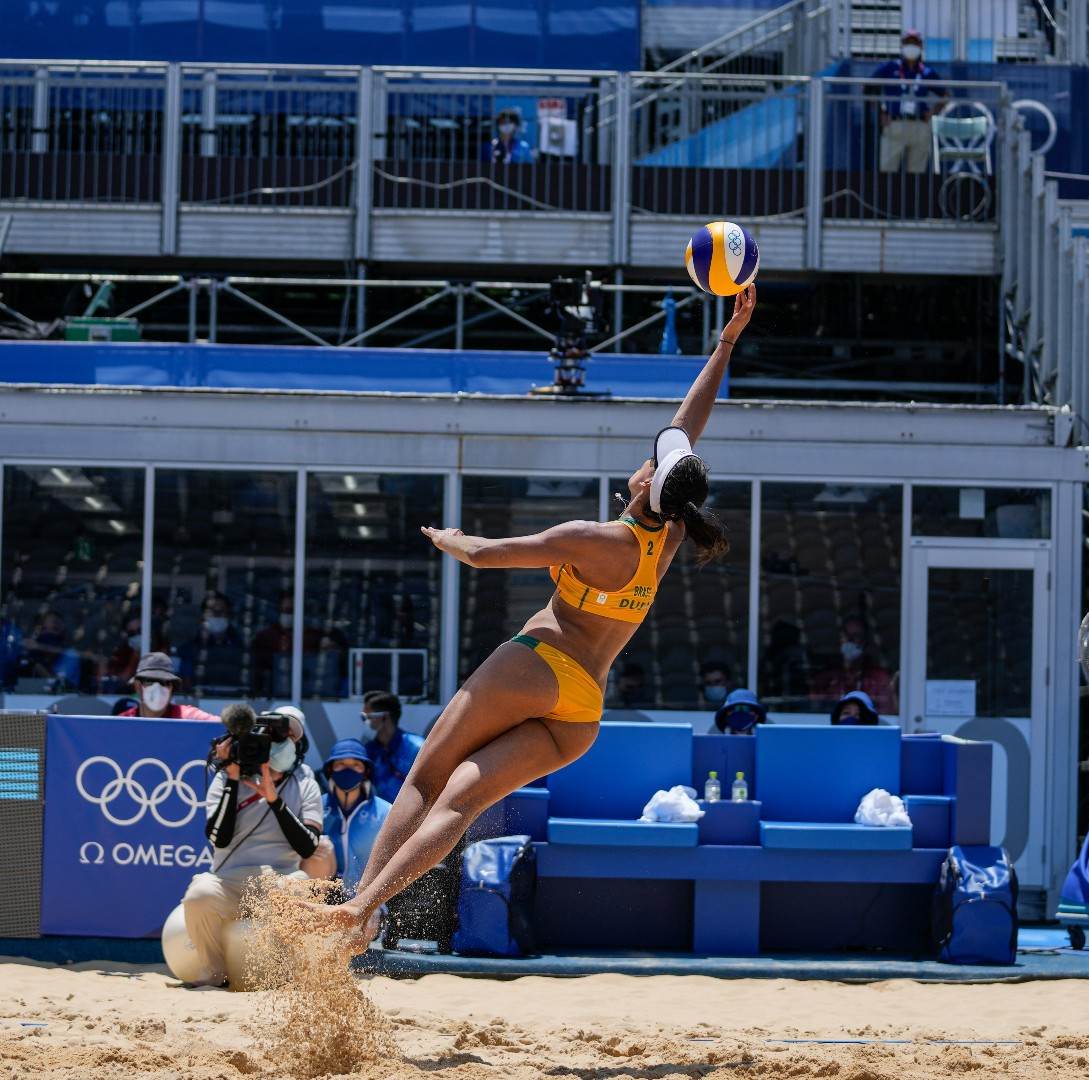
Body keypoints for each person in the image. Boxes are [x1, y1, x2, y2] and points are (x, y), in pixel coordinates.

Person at [301, 286, 757, 958]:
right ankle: (367, 911)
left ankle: (358, 907)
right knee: (460, 803)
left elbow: (488, 557)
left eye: (651, 461)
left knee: (428, 780)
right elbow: (692, 425)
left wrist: (450, 539)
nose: (646, 458)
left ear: (644, 483)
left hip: (542, 665)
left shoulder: (596, 537)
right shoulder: (669, 539)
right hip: (582, 714)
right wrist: (726, 342)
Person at [176, 704, 325, 988]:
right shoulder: (226, 775)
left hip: (280, 877)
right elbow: (219, 838)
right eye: (271, 736)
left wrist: (274, 799)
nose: (276, 744)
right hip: (229, 877)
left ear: (298, 745)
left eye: (286, 737)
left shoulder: (305, 779)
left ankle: (285, 978)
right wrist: (233, 778)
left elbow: (308, 847)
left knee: (296, 889)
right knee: (199, 894)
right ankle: (213, 973)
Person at [320, 738, 393, 896]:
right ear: (331, 769)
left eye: (356, 765)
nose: (348, 770)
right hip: (323, 900)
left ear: (366, 771)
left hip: (369, 901)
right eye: (341, 764)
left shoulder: (385, 812)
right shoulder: (316, 808)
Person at [872, 30, 945, 175]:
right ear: (902, 45)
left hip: (919, 125)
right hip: (894, 124)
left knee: (917, 176)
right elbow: (867, 88)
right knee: (887, 171)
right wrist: (880, 112)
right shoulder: (890, 68)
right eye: (908, 43)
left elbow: (945, 95)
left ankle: (916, 199)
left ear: (921, 46)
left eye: (914, 43)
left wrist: (932, 112)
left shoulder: (927, 72)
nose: (911, 46)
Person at [811, 615, 896, 714]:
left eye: (856, 636)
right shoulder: (825, 677)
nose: (850, 640)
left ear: (865, 642)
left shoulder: (880, 677)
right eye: (845, 635)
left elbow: (888, 712)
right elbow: (814, 710)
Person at [116, 652, 220, 722]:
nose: (157, 687)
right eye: (150, 681)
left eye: (164, 682)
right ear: (138, 686)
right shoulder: (124, 721)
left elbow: (220, 726)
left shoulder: (187, 717)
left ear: (171, 688)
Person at [359, 689, 423, 803]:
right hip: (380, 817)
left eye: (367, 717)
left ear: (384, 717)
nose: (365, 723)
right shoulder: (367, 750)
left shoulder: (417, 748)